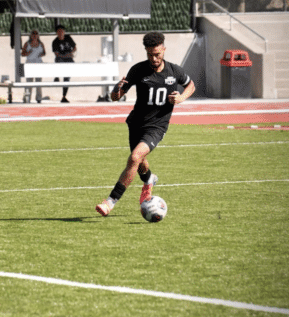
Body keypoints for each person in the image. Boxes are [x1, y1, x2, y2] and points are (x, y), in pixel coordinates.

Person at [95, 31, 195, 217]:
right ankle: (149, 181)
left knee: (134, 158)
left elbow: (191, 85)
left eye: (157, 54)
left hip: (157, 127)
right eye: (150, 54)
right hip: (135, 124)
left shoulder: (174, 71)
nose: (154, 58)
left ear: (164, 50)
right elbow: (116, 96)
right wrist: (116, 91)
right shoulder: (138, 70)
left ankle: (110, 201)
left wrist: (180, 98)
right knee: (140, 163)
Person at [51, 25, 76, 103]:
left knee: (67, 78)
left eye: (62, 31)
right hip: (61, 59)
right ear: (57, 33)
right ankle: (56, 75)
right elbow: (57, 54)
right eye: (59, 32)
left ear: (64, 32)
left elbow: (74, 47)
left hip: (69, 59)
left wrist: (71, 53)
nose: (61, 33)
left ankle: (64, 96)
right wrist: (67, 55)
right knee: (58, 61)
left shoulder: (68, 38)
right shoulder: (55, 42)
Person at [21, 29, 46, 103]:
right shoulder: (27, 44)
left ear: (38, 35)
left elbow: (44, 52)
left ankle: (39, 98)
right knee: (29, 82)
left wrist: (41, 54)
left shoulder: (41, 44)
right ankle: (27, 98)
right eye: (33, 33)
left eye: (36, 33)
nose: (35, 35)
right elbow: (22, 54)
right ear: (31, 35)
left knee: (38, 82)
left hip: (38, 64)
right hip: (29, 64)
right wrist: (28, 53)